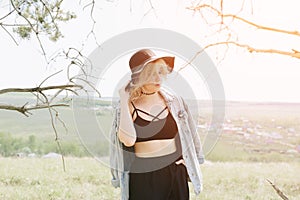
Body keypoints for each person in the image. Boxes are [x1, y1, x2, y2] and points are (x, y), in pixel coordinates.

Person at [110, 49, 204, 200]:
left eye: (160, 72)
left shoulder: (175, 101)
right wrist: (123, 97)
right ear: (138, 76)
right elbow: (127, 140)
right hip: (144, 175)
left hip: (175, 171)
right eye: (151, 73)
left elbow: (190, 133)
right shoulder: (127, 105)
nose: (157, 78)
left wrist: (186, 161)